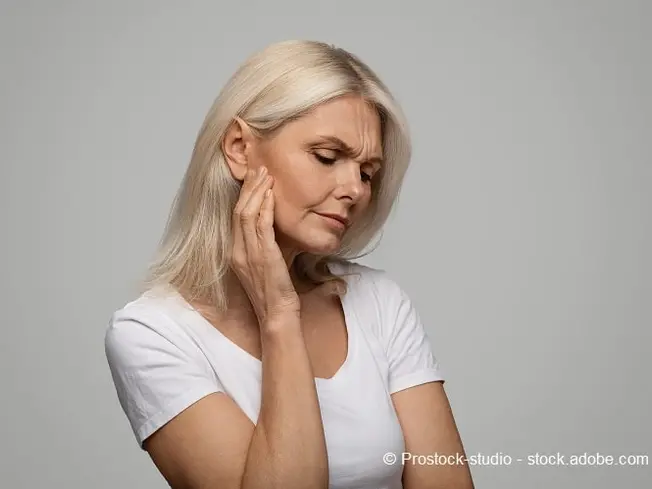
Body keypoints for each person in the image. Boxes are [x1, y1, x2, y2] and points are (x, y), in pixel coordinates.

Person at [104, 39, 475, 489]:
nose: (355, 190)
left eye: (367, 172)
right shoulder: (152, 335)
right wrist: (278, 315)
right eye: (327, 156)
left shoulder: (378, 303)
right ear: (240, 148)